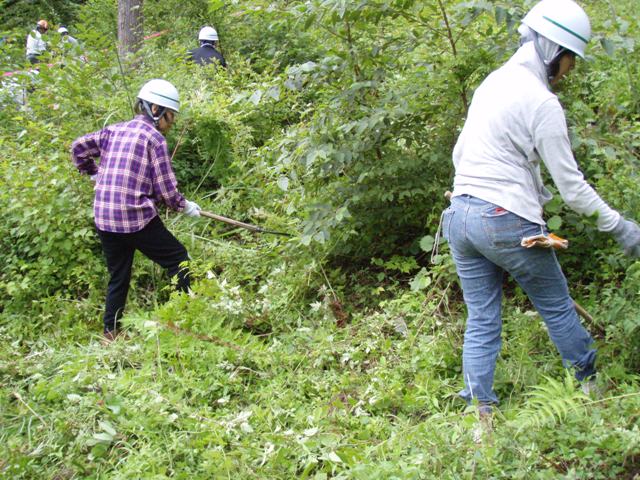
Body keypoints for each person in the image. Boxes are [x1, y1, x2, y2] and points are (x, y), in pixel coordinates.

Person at [444, 0, 640, 414]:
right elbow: (573, 189)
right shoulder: (541, 101)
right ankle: (590, 392)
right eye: (571, 60)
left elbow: (461, 153)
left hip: (459, 216)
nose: (570, 70)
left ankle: (480, 412)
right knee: (555, 304)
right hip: (504, 219)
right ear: (554, 51)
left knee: (481, 318)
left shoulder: (492, 83)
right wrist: (620, 227)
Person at [71, 79, 202, 341]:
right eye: (170, 116)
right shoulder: (155, 139)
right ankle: (189, 320)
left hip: (104, 218)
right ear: (155, 109)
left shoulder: (112, 131)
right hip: (134, 217)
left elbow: (78, 148)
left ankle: (111, 334)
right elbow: (166, 191)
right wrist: (184, 206)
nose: (171, 123)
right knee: (180, 260)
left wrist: (93, 173)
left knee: (118, 276)